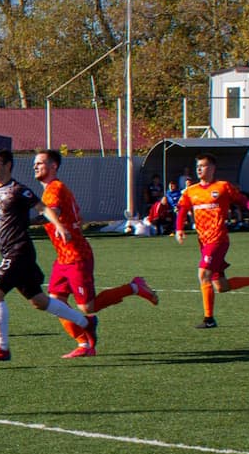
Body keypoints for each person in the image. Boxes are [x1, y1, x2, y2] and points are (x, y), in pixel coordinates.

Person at [0, 148, 96, 361]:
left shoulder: (19, 190)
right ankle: (86, 323)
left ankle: (2, 348)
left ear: (7, 165)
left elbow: (43, 208)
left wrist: (59, 225)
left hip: (19, 251)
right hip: (9, 252)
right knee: (39, 301)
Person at [31, 149, 158, 358]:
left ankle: (134, 287)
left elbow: (53, 213)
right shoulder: (55, 189)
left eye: (40, 163)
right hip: (63, 257)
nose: (35, 166)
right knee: (55, 303)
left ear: (53, 166)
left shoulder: (54, 188)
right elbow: (76, 216)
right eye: (35, 163)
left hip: (76, 256)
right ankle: (84, 344)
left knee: (87, 307)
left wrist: (22, 222)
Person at [175, 154, 249, 327]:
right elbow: (182, 210)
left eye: (203, 165)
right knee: (221, 286)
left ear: (212, 168)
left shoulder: (223, 187)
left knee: (203, 274)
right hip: (203, 241)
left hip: (218, 239)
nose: (199, 169)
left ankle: (209, 320)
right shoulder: (191, 191)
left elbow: (243, 202)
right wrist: (179, 229)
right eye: (198, 166)